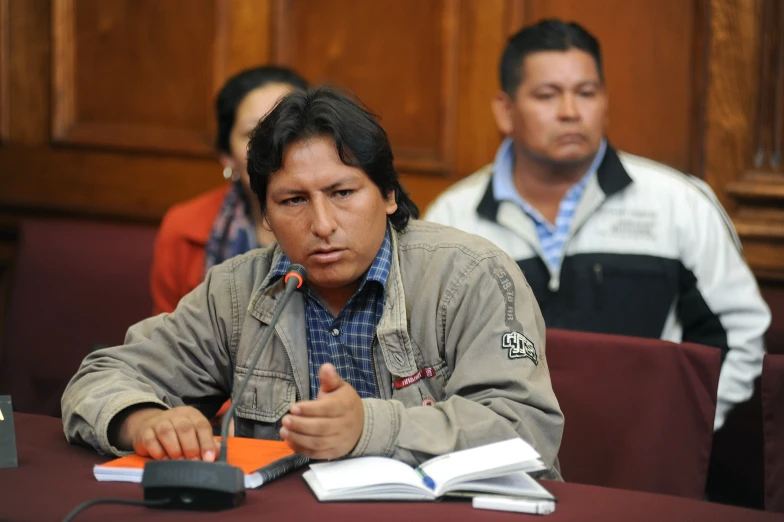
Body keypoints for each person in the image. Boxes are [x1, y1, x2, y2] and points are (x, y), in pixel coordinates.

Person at [61, 86, 564, 476]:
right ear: (266, 215)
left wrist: (370, 427)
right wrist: (143, 419)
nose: (322, 224)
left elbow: (525, 427)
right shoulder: (236, 292)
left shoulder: (471, 274)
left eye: (343, 192)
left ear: (388, 194)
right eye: (293, 201)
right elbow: (101, 377)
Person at [424, 19, 771, 431]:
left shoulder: (679, 204)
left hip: (645, 461)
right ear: (505, 109)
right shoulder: (452, 217)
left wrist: (677, 435)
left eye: (586, 93)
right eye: (547, 95)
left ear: (604, 101)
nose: (571, 112)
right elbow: (428, 355)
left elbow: (740, 337)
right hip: (502, 460)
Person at [151, 65, 308, 315]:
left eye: (289, 128)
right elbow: (167, 345)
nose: (273, 146)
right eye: (253, 133)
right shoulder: (183, 229)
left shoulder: (346, 225)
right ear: (227, 156)